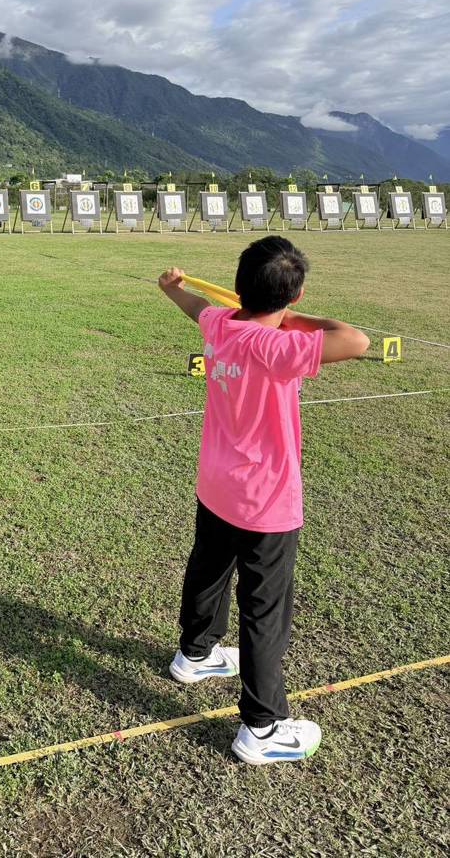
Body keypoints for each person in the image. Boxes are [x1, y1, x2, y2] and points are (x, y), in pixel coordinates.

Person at [158, 235, 369, 765]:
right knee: (265, 610)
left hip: (217, 485)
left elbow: (195, 306)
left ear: (237, 286)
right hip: (266, 501)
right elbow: (356, 339)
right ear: (294, 297)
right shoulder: (277, 346)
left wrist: (171, 287)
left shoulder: (219, 325)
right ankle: (262, 726)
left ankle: (195, 654)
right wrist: (292, 317)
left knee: (209, 569)